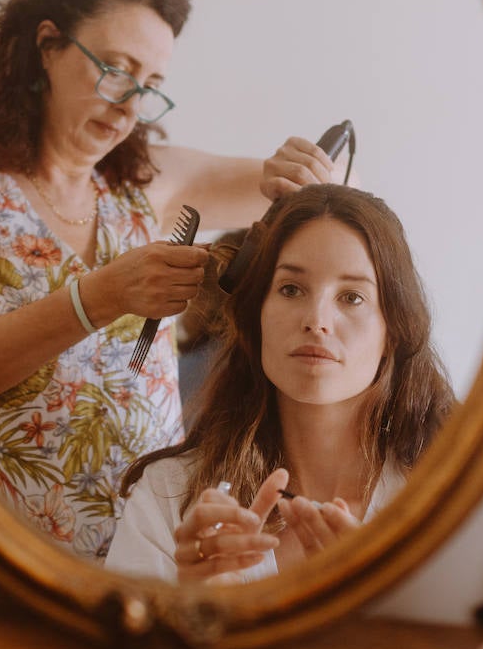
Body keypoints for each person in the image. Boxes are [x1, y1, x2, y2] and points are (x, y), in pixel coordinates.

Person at [0, 0, 348, 561]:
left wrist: (297, 169)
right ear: (48, 46)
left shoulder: (150, 181)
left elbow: (297, 189)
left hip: (156, 544)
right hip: (8, 548)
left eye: (152, 85)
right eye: (116, 69)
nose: (131, 106)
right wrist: (100, 297)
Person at [104, 184, 455, 584]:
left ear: (393, 330)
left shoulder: (453, 493)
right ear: (257, 317)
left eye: (352, 297)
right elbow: (119, 646)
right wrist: (189, 608)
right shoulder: (167, 494)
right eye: (291, 289)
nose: (316, 319)